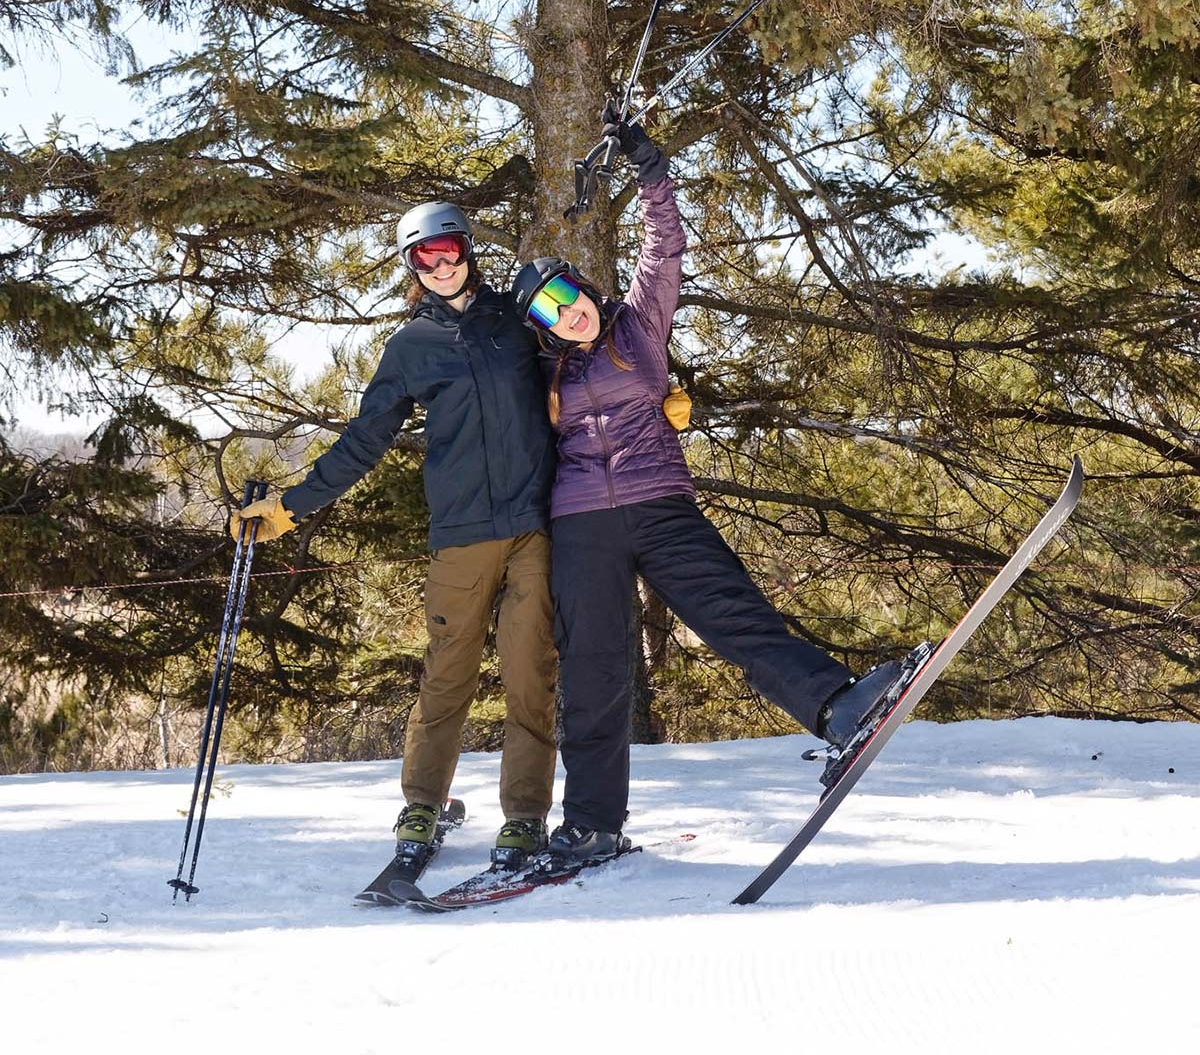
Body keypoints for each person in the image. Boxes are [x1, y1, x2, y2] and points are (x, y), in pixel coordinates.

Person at [513, 111, 925, 867]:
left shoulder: (636, 327)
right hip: (582, 526)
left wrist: (648, 167)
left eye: (565, 292)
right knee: (594, 671)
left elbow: (664, 246)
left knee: (734, 615)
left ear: (584, 286)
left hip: (660, 504)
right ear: (538, 327)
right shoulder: (545, 374)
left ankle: (839, 707)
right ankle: (592, 823)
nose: (565, 311)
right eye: (545, 310)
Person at [230, 201, 559, 877]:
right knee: (448, 676)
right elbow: (366, 439)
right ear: (411, 266)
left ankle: (525, 815)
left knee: (531, 676)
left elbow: (589, 350)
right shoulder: (411, 347)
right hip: (462, 534)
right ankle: (422, 802)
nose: (441, 265)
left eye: (450, 250)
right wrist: (291, 507)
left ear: (469, 249)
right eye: (424, 257)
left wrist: (654, 398)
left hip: (535, 526)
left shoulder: (518, 318)